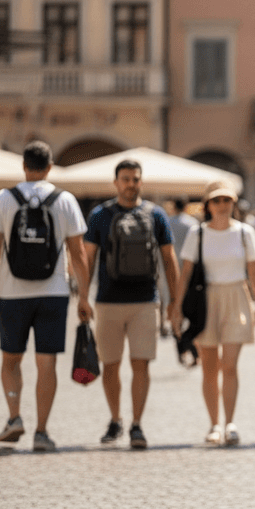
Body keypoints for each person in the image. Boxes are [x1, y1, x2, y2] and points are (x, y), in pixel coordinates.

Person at [0, 141, 91, 452]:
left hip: (11, 292)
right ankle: (42, 432)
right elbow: (79, 253)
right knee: (46, 363)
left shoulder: (5, 198)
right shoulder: (65, 200)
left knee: (11, 360)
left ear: (23, 166)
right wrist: (84, 297)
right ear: (49, 168)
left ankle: (15, 416)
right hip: (54, 292)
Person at [82, 159, 181, 449]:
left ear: (141, 181)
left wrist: (174, 300)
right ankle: (116, 420)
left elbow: (169, 259)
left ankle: (137, 424)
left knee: (141, 365)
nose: (130, 184)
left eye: (135, 179)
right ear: (115, 182)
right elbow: (88, 258)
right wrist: (84, 296)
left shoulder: (156, 215)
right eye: (125, 179)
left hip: (144, 301)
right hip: (107, 302)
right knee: (110, 366)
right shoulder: (100, 215)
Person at [172, 182, 255, 445]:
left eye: (227, 200)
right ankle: (213, 424)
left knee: (230, 364)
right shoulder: (197, 233)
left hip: (237, 297)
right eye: (217, 201)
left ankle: (230, 423)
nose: (222, 206)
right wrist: (177, 308)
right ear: (208, 205)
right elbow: (186, 273)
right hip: (206, 300)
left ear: (234, 203)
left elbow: (254, 270)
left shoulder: (244, 233)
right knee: (209, 367)